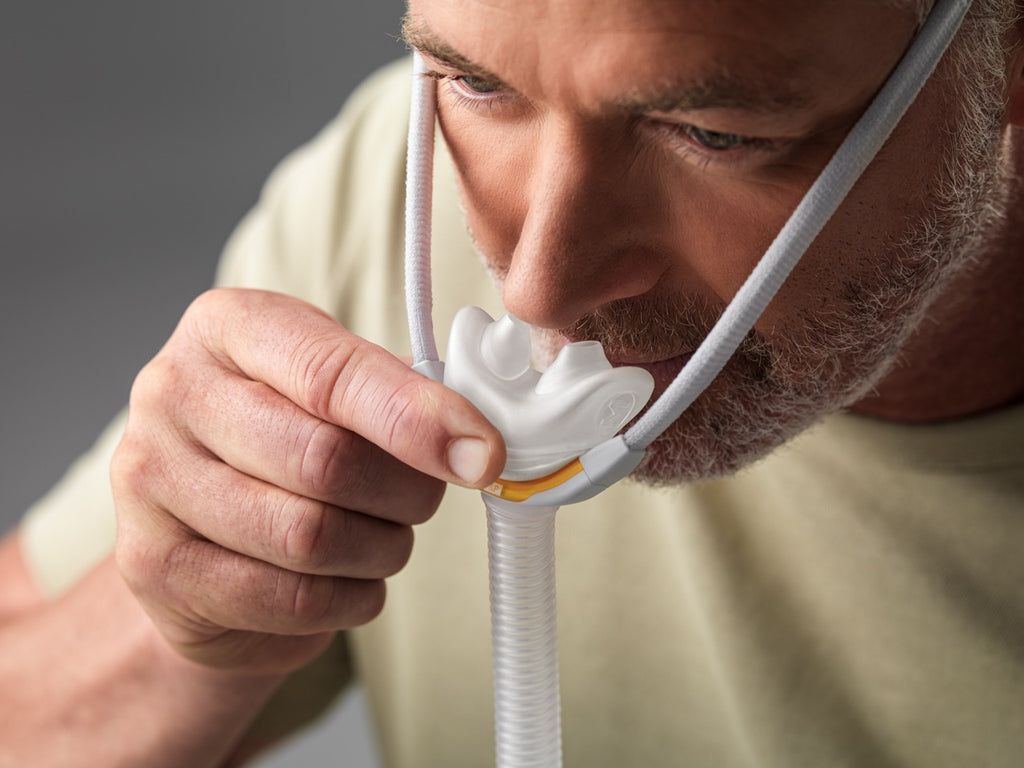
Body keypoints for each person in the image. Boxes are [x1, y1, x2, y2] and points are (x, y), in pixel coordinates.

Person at [1, 0, 1022, 765]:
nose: (537, 287)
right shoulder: (397, 193)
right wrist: (184, 627)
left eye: (715, 133)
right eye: (477, 83)